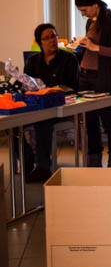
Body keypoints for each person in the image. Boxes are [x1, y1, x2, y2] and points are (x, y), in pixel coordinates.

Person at [74, 0, 111, 167]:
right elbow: (91, 47)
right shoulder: (91, 22)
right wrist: (80, 45)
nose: (83, 14)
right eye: (81, 11)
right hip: (86, 76)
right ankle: (94, 158)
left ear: (95, 5)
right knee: (90, 121)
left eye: (85, 10)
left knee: (108, 120)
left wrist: (96, 48)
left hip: (102, 78)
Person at [23, 23, 80, 182]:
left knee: (43, 121)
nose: (52, 41)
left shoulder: (69, 59)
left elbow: (74, 88)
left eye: (54, 36)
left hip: (61, 107)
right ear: (39, 42)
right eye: (47, 38)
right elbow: (26, 86)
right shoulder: (33, 61)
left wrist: (55, 91)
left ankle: (43, 167)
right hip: (37, 106)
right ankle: (27, 157)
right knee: (13, 124)